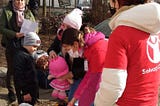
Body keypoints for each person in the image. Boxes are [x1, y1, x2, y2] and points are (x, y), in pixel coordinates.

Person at [94, 0, 160, 106]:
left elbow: (113, 86)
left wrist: (99, 103)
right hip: (151, 102)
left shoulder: (120, 34)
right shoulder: (156, 30)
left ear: (117, 3)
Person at [61, 27, 108, 106]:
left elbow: (96, 82)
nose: (67, 52)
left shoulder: (97, 51)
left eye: (67, 49)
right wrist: (74, 99)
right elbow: (88, 76)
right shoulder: (87, 50)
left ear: (75, 44)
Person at [0, 0, 35, 103]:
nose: (19, 2)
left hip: (25, 43)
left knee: (23, 68)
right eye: (17, 0)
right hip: (11, 42)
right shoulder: (6, 11)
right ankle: (11, 91)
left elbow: (34, 25)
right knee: (11, 69)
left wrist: (31, 31)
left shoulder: (28, 11)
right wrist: (14, 34)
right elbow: (1, 28)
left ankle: (22, 91)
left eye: (22, 0)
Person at [13, 32, 41, 106]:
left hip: (31, 90)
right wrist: (24, 92)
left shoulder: (27, 55)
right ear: (27, 43)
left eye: (37, 47)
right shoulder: (21, 56)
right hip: (26, 91)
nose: (35, 49)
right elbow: (18, 76)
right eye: (34, 46)